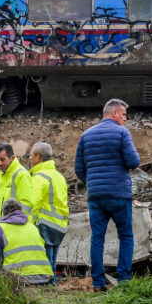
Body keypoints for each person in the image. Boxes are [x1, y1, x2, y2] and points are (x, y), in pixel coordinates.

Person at [75, 98, 142, 291]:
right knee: (126, 236)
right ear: (114, 113)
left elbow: (79, 168)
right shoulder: (122, 133)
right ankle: (124, 280)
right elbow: (133, 162)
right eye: (123, 114)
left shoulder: (86, 135)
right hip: (119, 194)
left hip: (96, 196)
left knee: (97, 238)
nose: (125, 119)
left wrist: (92, 183)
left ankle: (97, 283)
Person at [28, 142, 69, 282]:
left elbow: (33, 203)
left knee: (46, 264)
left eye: (31, 155)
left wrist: (27, 223)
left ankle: (49, 287)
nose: (29, 158)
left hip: (45, 224)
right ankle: (53, 286)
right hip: (60, 225)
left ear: (38, 157)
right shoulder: (59, 176)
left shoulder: (40, 177)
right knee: (53, 262)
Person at [0, 199, 54, 285]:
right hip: (44, 277)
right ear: (21, 210)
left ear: (4, 213)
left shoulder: (0, 228)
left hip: (18, 279)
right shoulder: (32, 226)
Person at [0, 143, 34, 225]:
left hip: (17, 227)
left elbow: (27, 203)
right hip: (2, 226)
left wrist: (15, 223)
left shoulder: (22, 175)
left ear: (12, 158)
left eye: (2, 159)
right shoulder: (0, 175)